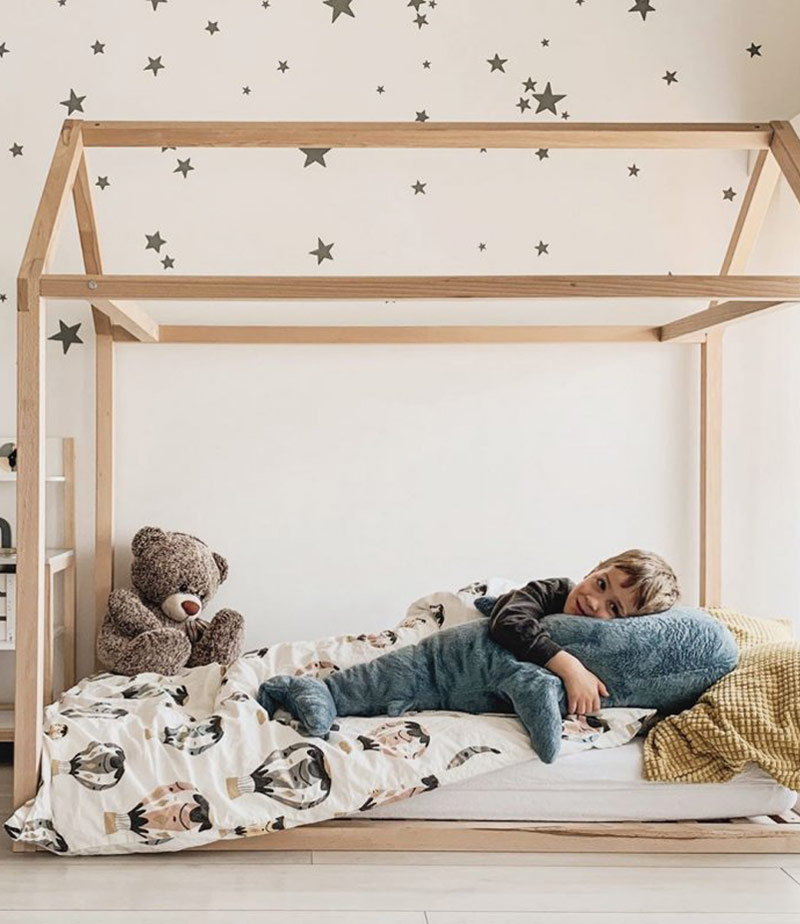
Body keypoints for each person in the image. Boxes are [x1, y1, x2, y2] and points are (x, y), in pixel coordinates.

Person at [477, 549, 680, 717]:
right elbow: (509, 620)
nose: (593, 602)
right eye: (601, 584)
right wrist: (570, 667)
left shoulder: (610, 647)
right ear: (593, 571)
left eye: (614, 608)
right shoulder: (553, 590)